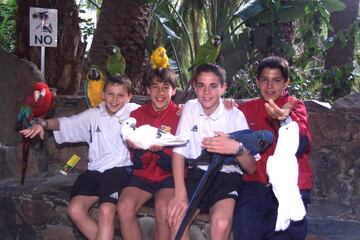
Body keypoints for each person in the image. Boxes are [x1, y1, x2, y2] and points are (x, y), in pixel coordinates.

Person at [203, 56, 312, 240]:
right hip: (255, 181)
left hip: (290, 184)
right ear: (257, 82)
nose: (270, 86)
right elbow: (215, 112)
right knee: (245, 223)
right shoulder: (247, 108)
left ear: (286, 82)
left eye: (276, 80)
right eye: (264, 80)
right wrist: (184, 108)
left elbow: (301, 143)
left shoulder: (294, 107)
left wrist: (285, 119)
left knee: (284, 231)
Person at [20, 75, 139, 240]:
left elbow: (158, 112)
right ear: (103, 94)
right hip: (94, 171)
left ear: (129, 97)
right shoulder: (94, 114)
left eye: (120, 95)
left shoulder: (135, 112)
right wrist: (43, 124)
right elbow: (65, 123)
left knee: (106, 210)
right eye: (110, 94)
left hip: (119, 169)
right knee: (74, 210)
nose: (114, 99)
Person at [167, 63, 257, 240]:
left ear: (223, 88)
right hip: (197, 174)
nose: (206, 92)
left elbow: (252, 168)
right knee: (177, 221)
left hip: (227, 175)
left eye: (213, 86)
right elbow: (179, 153)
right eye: (201, 86)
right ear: (194, 87)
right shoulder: (190, 108)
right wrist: (179, 193)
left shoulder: (235, 116)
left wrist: (236, 149)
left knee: (221, 223)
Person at [117, 68, 180, 240]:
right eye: (155, 87)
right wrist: (137, 149)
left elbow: (183, 153)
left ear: (174, 91)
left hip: (169, 175)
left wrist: (162, 152)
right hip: (143, 174)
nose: (160, 92)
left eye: (166, 87)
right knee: (123, 207)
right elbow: (136, 162)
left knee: (163, 209)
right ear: (147, 90)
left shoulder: (181, 114)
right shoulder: (136, 115)